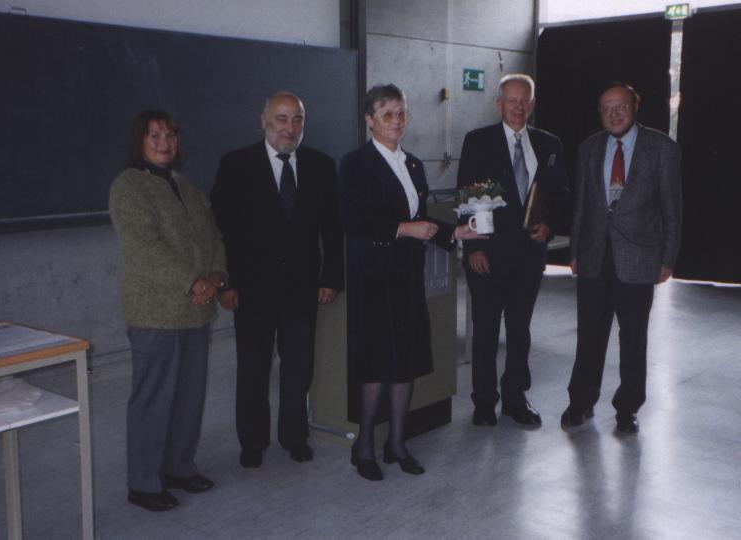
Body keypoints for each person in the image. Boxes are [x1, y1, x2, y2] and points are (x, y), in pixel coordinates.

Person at [339, 84, 485, 481]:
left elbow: (422, 220)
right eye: (387, 114)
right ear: (370, 121)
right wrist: (404, 228)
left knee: (404, 363)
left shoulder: (415, 165)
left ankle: (397, 443)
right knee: (375, 366)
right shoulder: (355, 163)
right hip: (373, 278)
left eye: (401, 113)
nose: (396, 121)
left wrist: (456, 232)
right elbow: (354, 221)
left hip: (407, 277)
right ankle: (364, 445)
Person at [210, 92, 344, 468]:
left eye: (297, 120)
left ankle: (294, 436)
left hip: (303, 289)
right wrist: (227, 283)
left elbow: (333, 230)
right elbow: (221, 230)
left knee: (299, 369)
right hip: (251, 290)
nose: (289, 128)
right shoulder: (236, 165)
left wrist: (330, 276)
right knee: (253, 369)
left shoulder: (320, 165)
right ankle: (252, 443)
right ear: (263, 121)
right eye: (281, 119)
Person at [109, 110, 227, 512]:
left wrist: (216, 277)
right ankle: (143, 483)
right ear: (139, 142)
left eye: (170, 134)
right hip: (156, 312)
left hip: (195, 311)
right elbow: (145, 249)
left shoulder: (186, 187)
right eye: (154, 135)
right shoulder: (128, 187)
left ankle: (178, 467)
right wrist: (193, 282)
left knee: (189, 396)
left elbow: (212, 236)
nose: (164, 142)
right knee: (154, 398)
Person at [562, 82, 682, 433]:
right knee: (589, 336)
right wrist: (574, 252)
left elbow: (672, 209)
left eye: (621, 107)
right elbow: (582, 206)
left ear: (635, 106)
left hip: (640, 260)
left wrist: (668, 258)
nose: (613, 114)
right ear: (599, 113)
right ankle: (580, 402)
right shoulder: (589, 148)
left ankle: (627, 407)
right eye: (606, 108)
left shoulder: (662, 148)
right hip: (595, 258)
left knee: (633, 339)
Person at [457, 73, 568, 427]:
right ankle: (484, 402)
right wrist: (474, 248)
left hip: (529, 255)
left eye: (524, 100)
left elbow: (560, 194)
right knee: (486, 330)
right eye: (511, 100)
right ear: (499, 104)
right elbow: (468, 198)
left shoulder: (549, 143)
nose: (518, 106)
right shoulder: (478, 141)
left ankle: (516, 398)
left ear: (532, 105)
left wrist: (548, 224)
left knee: (520, 330)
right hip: (487, 254)